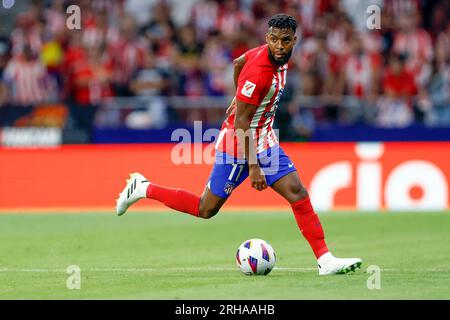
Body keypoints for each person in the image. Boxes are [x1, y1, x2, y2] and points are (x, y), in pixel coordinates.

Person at [116, 14, 362, 276]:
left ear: (294, 41)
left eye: (285, 41)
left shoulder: (274, 58)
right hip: (239, 143)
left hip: (264, 137)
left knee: (297, 192)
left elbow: (237, 62)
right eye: (274, 40)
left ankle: (325, 260)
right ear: (267, 38)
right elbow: (241, 123)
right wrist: (254, 167)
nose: (279, 46)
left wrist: (238, 95)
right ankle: (143, 187)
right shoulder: (259, 74)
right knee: (206, 208)